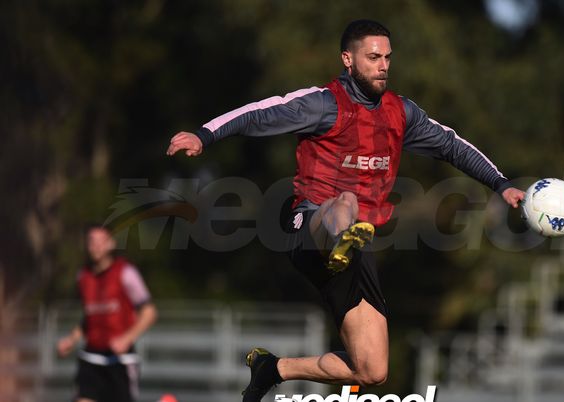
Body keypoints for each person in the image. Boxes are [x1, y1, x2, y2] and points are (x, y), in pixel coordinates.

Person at [166, 19, 524, 402]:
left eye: (387, 57)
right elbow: (260, 112)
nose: (383, 65)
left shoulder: (401, 113)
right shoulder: (323, 103)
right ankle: (340, 237)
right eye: (372, 57)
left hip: (354, 250)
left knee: (372, 371)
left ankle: (274, 369)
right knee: (347, 202)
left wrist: (500, 184)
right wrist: (204, 135)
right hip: (306, 225)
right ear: (348, 59)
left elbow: (452, 145)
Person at [56, 225, 158, 402]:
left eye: (101, 241)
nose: (96, 246)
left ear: (111, 244)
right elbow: (89, 317)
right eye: (92, 242)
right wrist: (72, 339)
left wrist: (127, 338)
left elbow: (149, 312)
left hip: (119, 361)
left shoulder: (126, 273)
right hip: (91, 358)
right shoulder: (83, 276)